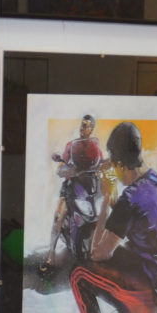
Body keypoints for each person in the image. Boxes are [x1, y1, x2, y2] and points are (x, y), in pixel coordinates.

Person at [69, 121, 157, 313]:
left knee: (78, 272)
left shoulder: (130, 197)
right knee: (120, 252)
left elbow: (97, 253)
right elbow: (136, 215)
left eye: (113, 165)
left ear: (119, 164)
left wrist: (106, 198)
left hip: (149, 297)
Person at [45, 115, 104, 269]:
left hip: (88, 188)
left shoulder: (95, 147)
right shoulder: (71, 146)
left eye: (86, 126)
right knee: (59, 218)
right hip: (71, 187)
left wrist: (103, 169)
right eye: (82, 125)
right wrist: (67, 169)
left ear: (92, 129)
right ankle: (50, 255)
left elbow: (101, 163)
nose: (82, 128)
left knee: (101, 215)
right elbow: (60, 168)